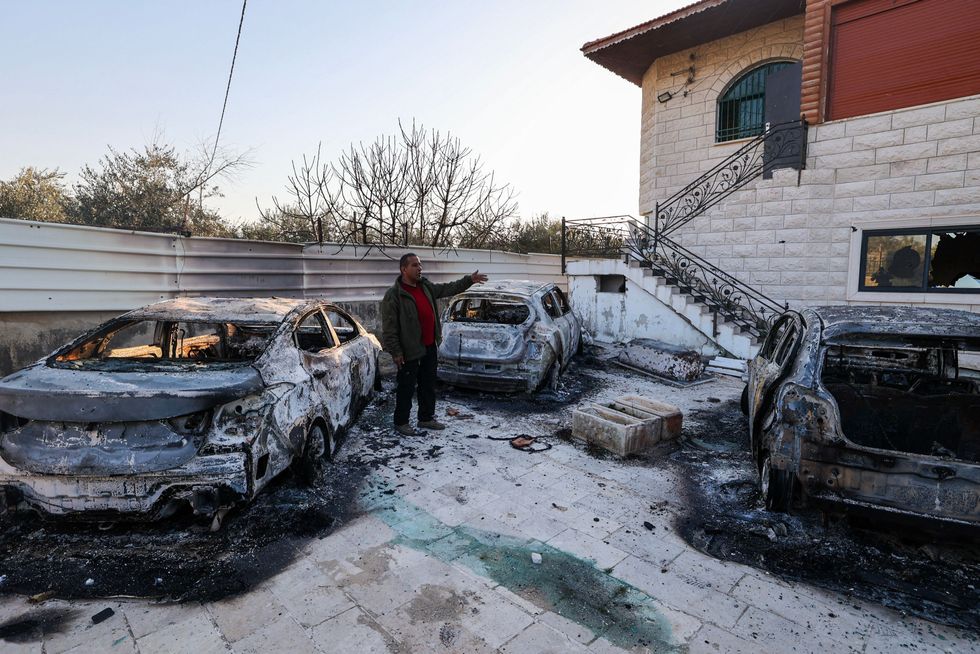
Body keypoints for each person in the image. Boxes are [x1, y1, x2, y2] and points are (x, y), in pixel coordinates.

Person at [380, 253, 488, 436]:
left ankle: (426, 418)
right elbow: (389, 328)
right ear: (403, 269)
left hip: (429, 346)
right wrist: (396, 352)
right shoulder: (394, 295)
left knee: (428, 384)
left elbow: (447, 288)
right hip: (409, 350)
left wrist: (468, 280)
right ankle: (401, 422)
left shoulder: (425, 287)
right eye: (415, 265)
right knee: (406, 387)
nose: (419, 268)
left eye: (420, 265)